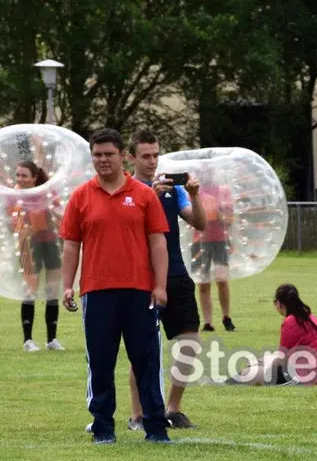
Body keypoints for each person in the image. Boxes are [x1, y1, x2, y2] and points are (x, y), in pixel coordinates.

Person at [60, 127, 171, 444]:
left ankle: (155, 428)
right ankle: (103, 428)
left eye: (108, 154)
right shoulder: (81, 196)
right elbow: (70, 246)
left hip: (139, 291)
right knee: (100, 362)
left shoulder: (144, 195)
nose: (103, 160)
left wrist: (160, 286)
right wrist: (68, 285)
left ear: (122, 155)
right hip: (96, 292)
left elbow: (158, 244)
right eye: (97, 155)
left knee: (146, 360)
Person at [125, 129, 206, 430]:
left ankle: (173, 407)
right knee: (142, 347)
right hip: (140, 278)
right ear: (132, 157)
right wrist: (149, 198)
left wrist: (195, 195)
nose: (151, 161)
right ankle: (138, 414)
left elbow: (199, 222)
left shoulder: (173, 189)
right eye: (145, 156)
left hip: (175, 274)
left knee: (190, 343)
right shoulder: (128, 189)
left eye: (155, 155)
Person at [232, 283, 317, 385]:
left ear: (279, 303)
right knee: (263, 360)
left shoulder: (291, 321)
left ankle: (226, 382)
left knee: (251, 372)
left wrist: (266, 366)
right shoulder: (308, 316)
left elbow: (282, 360)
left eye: (275, 301)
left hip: (310, 378)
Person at [11, 160, 64, 351]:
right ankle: (28, 340)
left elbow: (60, 214)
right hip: (29, 245)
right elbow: (11, 222)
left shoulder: (47, 193)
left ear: (34, 177)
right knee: (30, 290)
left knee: (52, 290)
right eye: (17, 175)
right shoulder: (14, 196)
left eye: (24, 175)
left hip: (50, 243)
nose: (20, 179)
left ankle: (52, 339)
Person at [191, 172, 236, 332]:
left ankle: (226, 317)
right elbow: (190, 218)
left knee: (222, 280)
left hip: (219, 241)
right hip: (199, 242)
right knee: (203, 284)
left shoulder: (223, 192)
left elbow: (229, 221)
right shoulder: (195, 192)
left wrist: (218, 213)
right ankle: (208, 322)